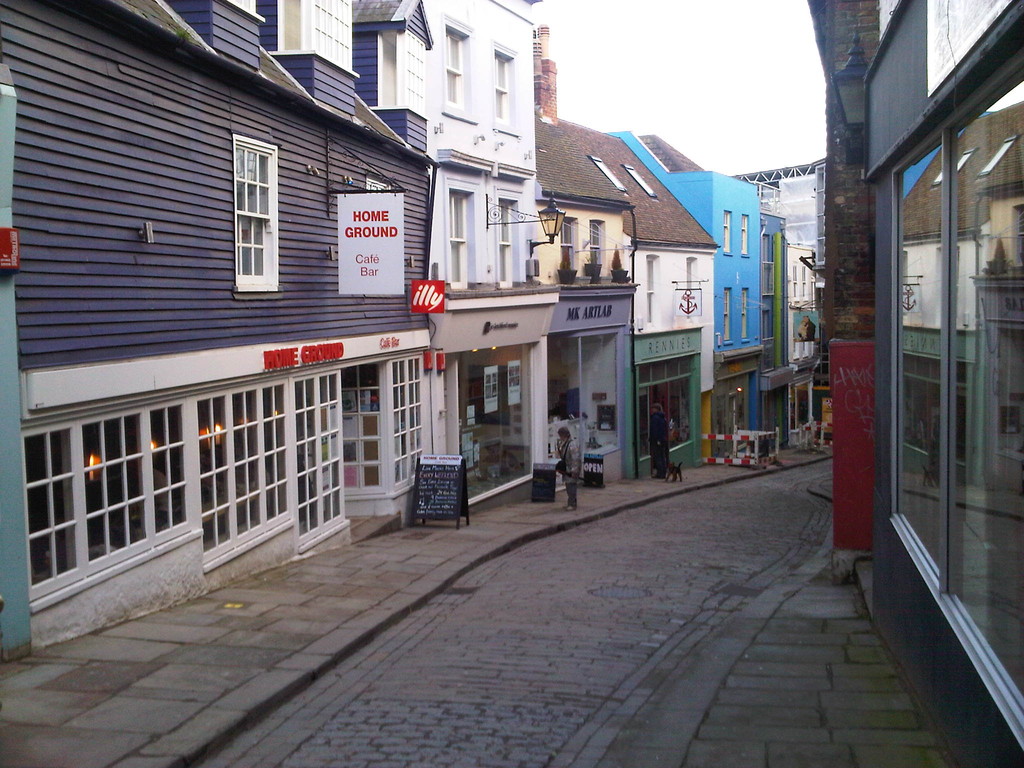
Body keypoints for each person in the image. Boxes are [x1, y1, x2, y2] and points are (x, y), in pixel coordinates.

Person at [556, 426, 581, 510]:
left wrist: (574, 470)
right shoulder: (566, 443)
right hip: (567, 469)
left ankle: (572, 504)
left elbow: (575, 458)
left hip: (571, 470)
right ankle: (570, 503)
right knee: (568, 486)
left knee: (571, 487)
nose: (560, 438)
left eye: (560, 435)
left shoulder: (572, 444)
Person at [649, 402, 669, 478]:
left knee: (658, 457)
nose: (651, 410)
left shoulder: (655, 418)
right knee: (662, 456)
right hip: (663, 439)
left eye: (653, 408)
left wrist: (656, 440)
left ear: (656, 409)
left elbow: (655, 430)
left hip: (657, 440)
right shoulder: (662, 417)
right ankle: (663, 472)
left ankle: (660, 474)